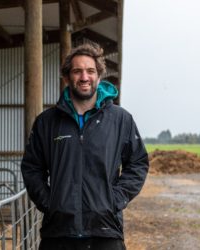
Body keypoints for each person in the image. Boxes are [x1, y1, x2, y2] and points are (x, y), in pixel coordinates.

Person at [21, 42, 149, 250]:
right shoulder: (47, 122)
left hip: (105, 232)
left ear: (99, 76)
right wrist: (50, 203)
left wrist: (113, 201)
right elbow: (31, 167)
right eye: (77, 71)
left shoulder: (120, 120)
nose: (84, 77)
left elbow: (138, 164)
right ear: (66, 77)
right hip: (59, 233)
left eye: (90, 71)